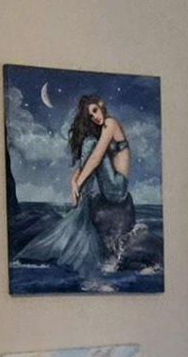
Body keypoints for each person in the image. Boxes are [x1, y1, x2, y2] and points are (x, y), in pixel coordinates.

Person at [16, 93, 137, 282]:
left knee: (90, 144)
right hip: (112, 188)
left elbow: (96, 157)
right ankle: (81, 202)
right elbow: (87, 163)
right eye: (90, 116)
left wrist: (78, 185)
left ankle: (80, 204)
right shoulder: (103, 127)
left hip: (117, 189)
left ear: (101, 104)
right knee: (89, 143)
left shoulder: (111, 123)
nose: (95, 117)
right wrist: (74, 182)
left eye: (95, 110)